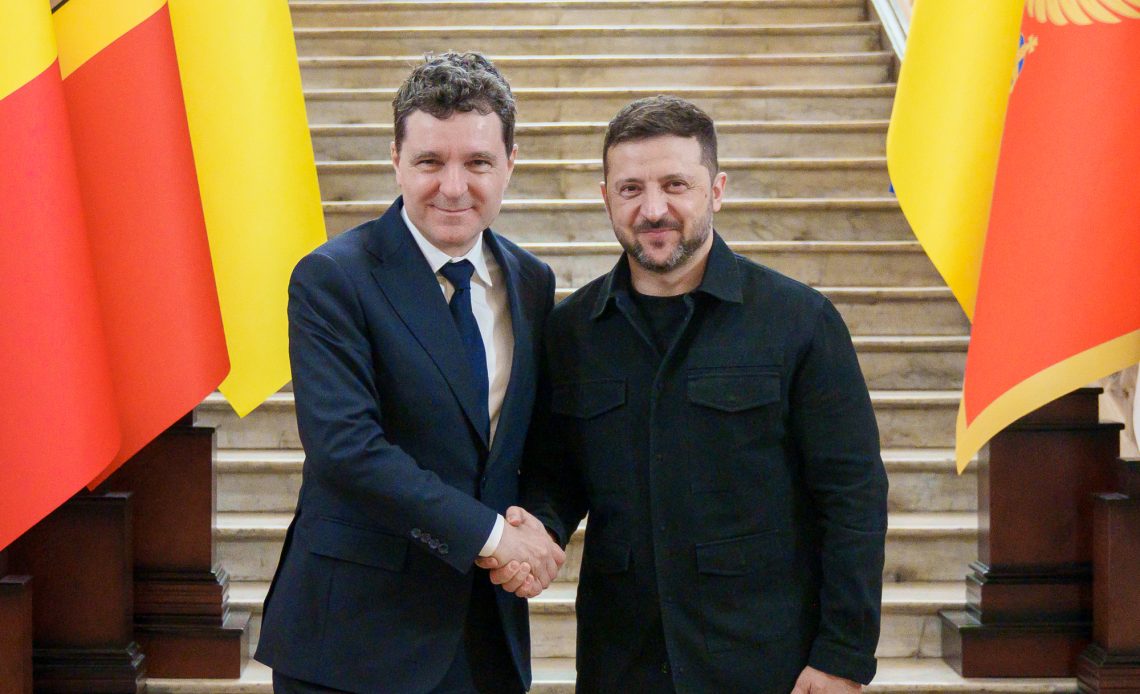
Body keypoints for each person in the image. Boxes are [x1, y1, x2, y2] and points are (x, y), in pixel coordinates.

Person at [488, 95, 888, 693]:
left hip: (764, 662)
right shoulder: (570, 332)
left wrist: (842, 656)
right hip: (622, 663)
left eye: (675, 184)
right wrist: (538, 528)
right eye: (630, 189)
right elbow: (556, 473)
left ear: (716, 190)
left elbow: (853, 496)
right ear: (606, 198)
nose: (653, 210)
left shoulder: (799, 322)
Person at [255, 52, 564, 693]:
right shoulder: (332, 278)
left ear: (510, 164)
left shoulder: (531, 281)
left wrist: (538, 529)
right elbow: (347, 449)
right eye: (429, 162)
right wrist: (493, 537)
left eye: (477, 162)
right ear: (395, 160)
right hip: (354, 640)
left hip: (484, 638)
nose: (453, 186)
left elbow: (534, 442)